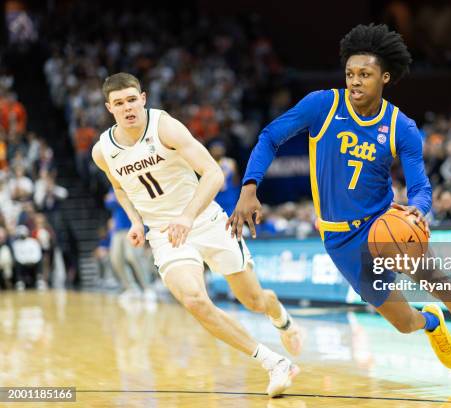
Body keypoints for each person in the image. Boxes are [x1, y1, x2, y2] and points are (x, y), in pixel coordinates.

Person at [228, 24, 451, 395]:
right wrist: (250, 187)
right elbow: (269, 137)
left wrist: (419, 209)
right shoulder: (322, 105)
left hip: (383, 225)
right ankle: (430, 323)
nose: (355, 81)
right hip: (340, 240)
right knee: (403, 322)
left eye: (365, 74)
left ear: (385, 77)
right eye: (350, 74)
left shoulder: (401, 127)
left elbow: (420, 186)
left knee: (437, 279)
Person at [91, 73, 301, 397]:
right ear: (109, 108)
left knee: (255, 300)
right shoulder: (103, 150)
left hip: (205, 220)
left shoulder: (165, 127)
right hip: (165, 234)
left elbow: (214, 174)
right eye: (119, 103)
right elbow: (120, 188)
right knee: (195, 300)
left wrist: (187, 217)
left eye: (132, 99)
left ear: (143, 98)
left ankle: (281, 317)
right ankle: (274, 363)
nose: (127, 107)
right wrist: (134, 221)